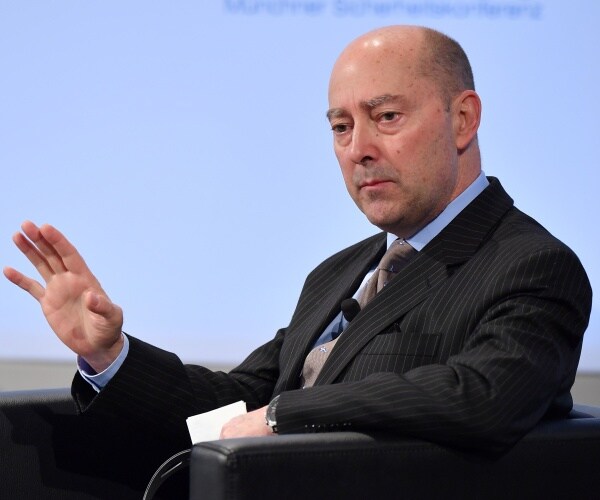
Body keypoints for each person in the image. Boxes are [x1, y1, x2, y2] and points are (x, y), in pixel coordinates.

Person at [4, 25, 592, 461]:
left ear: (462, 119)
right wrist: (111, 354)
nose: (358, 149)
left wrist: (284, 417)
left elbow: (483, 395)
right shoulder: (340, 272)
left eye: (387, 116)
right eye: (341, 127)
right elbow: (242, 401)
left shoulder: (532, 266)